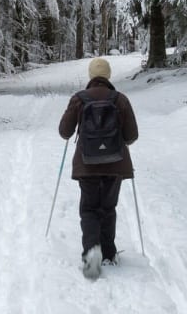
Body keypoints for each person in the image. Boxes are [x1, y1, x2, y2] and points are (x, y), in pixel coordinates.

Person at [58, 57, 138, 278]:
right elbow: (132, 135)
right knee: (108, 208)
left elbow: (64, 131)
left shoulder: (79, 99)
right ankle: (108, 253)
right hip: (115, 165)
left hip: (87, 164)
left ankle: (92, 250)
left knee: (89, 209)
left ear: (91, 76)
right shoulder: (119, 99)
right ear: (109, 75)